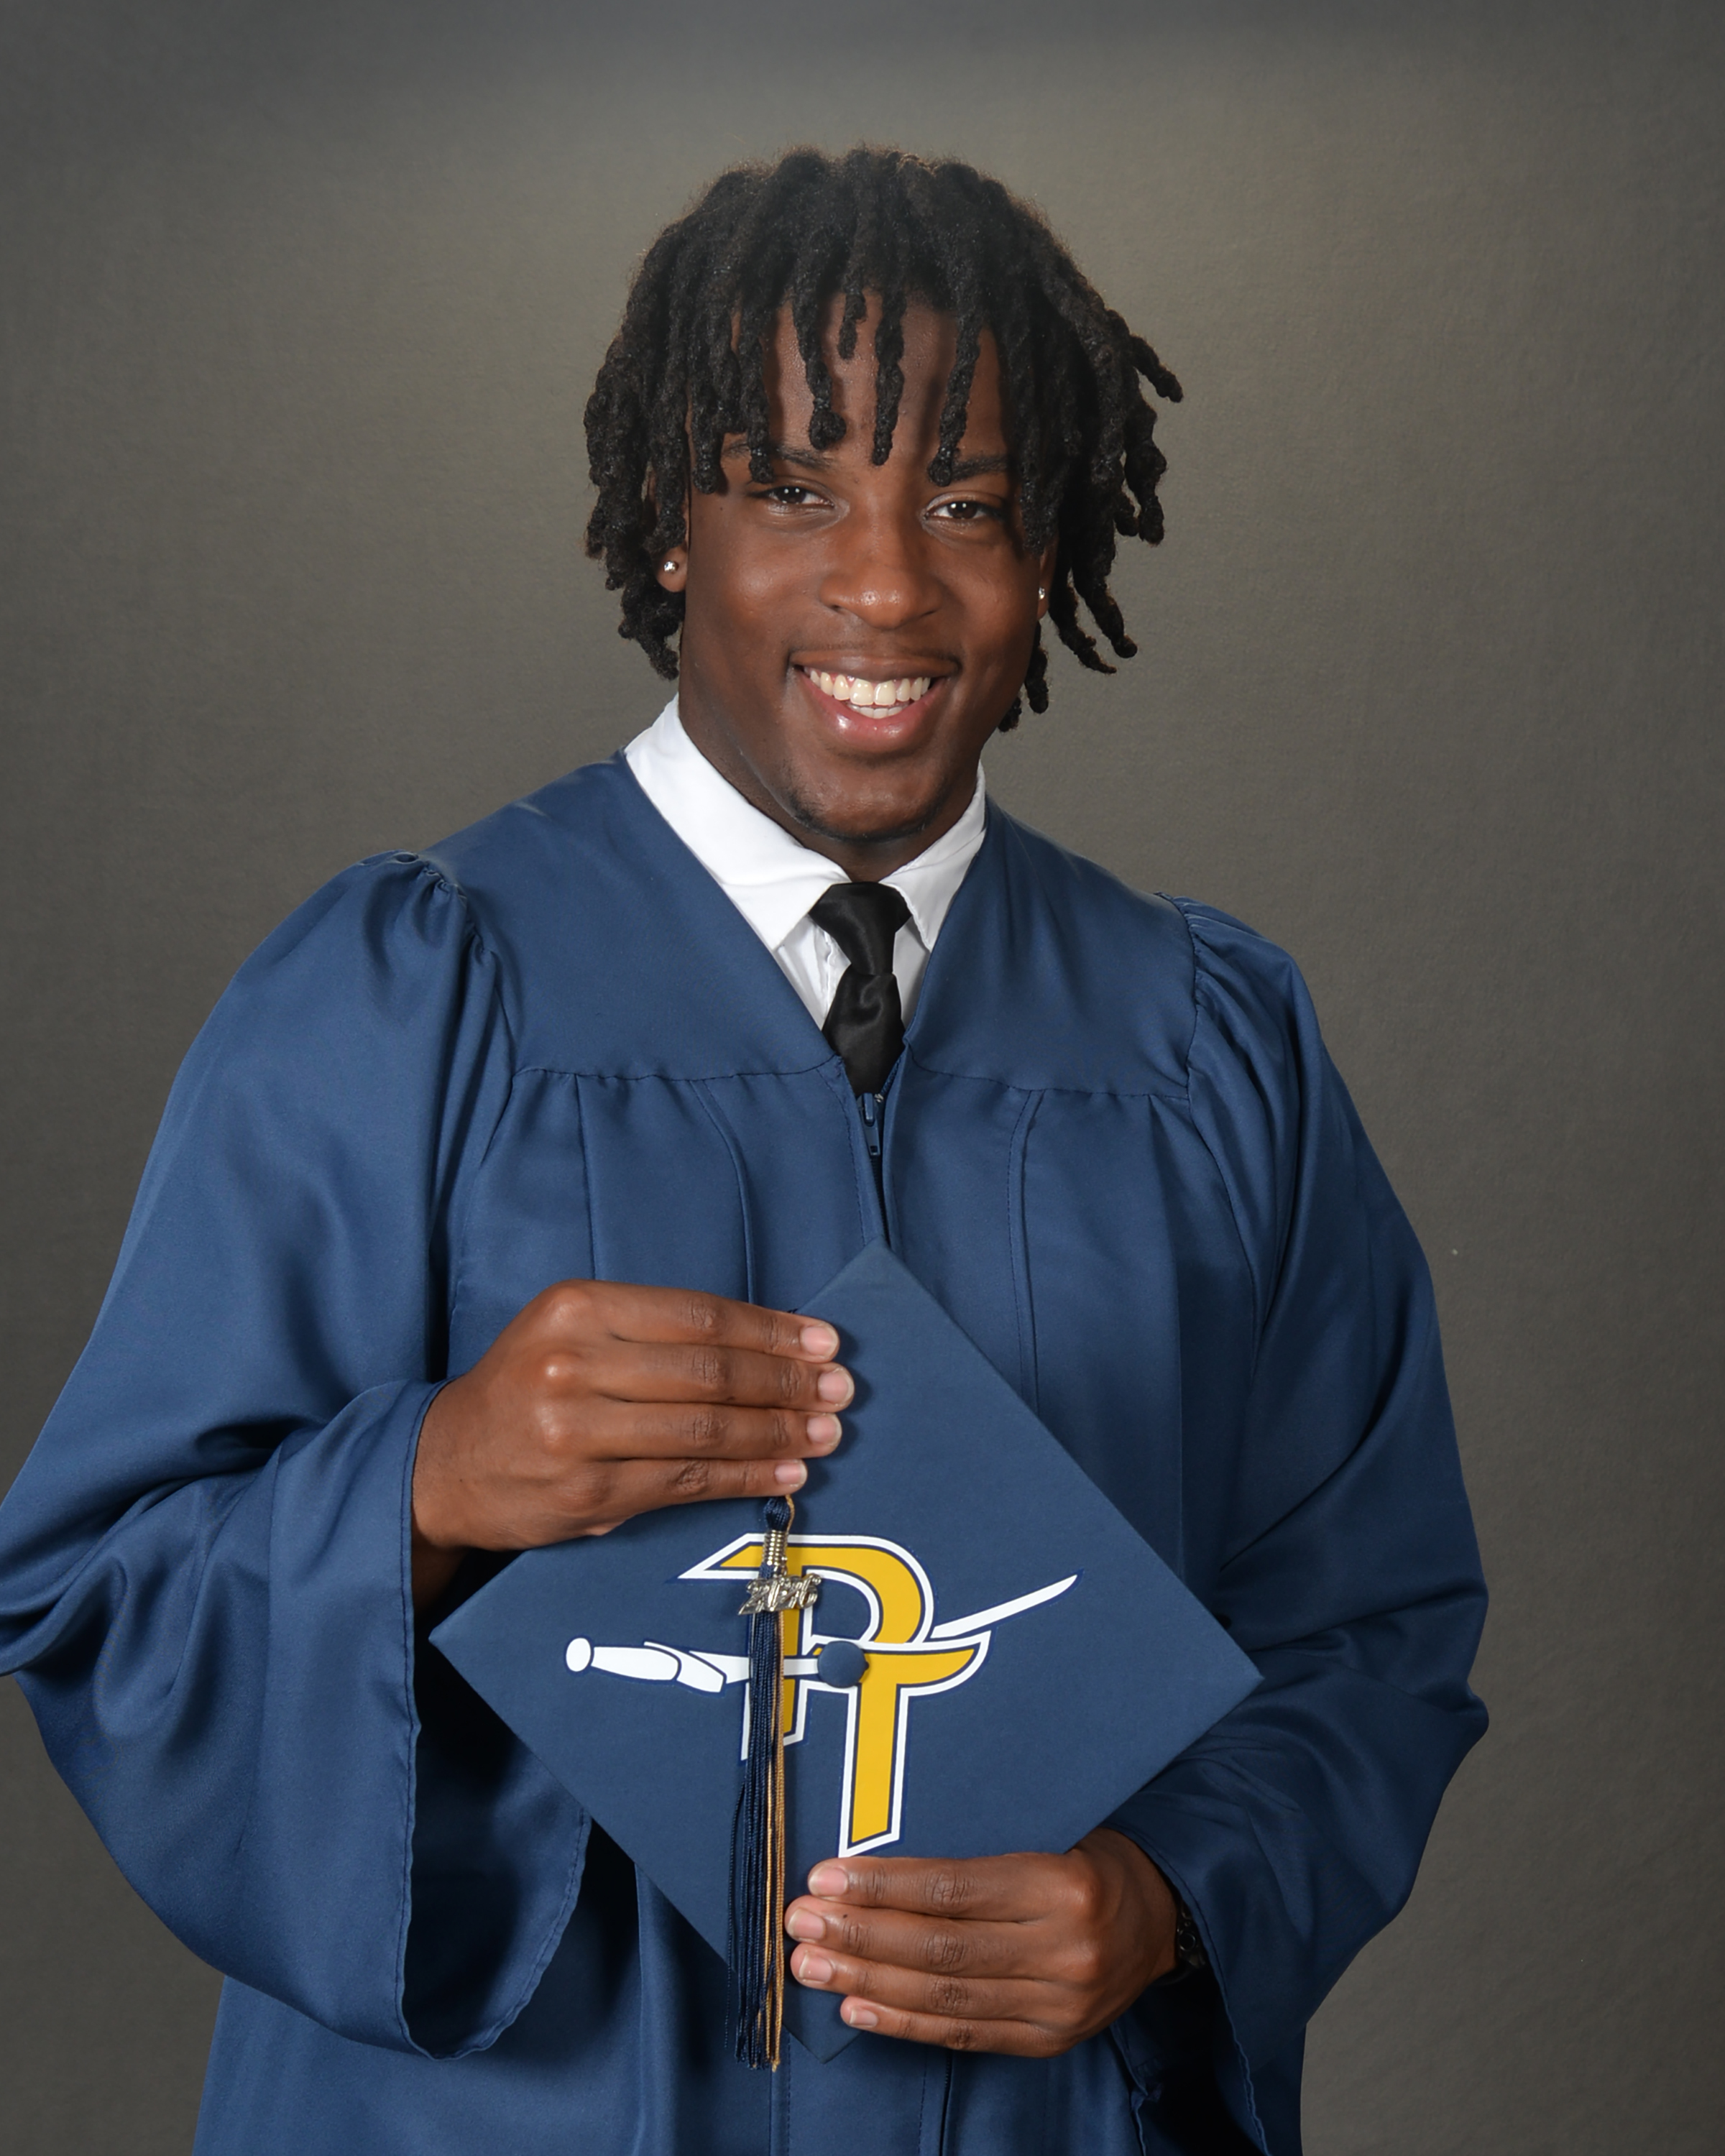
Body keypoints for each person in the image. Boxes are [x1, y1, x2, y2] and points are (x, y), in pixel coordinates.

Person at [0, 147, 1486, 2155]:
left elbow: (1369, 1629)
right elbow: (101, 1595)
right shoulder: (408, 996)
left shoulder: (1208, 1049)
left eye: (965, 503)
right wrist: (429, 1482)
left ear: (1050, 546)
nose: (884, 586)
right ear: (665, 523)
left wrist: (1166, 1898)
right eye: (792, 491)